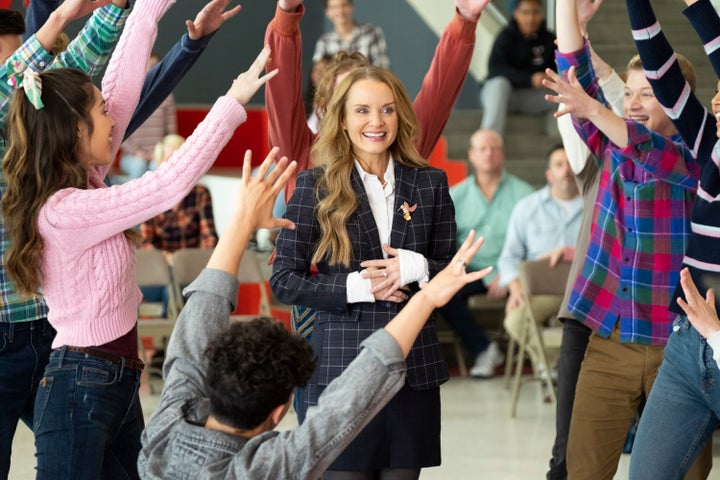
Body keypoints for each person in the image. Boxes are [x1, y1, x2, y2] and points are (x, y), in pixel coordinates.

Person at [1, 0, 278, 463]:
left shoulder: (81, 179)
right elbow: (164, 185)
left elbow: (120, 90)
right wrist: (231, 102)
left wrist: (148, 10)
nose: (113, 122)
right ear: (73, 131)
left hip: (114, 378)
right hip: (80, 385)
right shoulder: (64, 210)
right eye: (100, 115)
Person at [139, 149, 491, 479]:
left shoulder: (161, 435)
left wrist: (241, 223)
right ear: (279, 414)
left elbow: (192, 339)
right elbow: (349, 401)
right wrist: (424, 299)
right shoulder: (270, 465)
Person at [542, 0, 706, 475]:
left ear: (679, 102)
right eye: (629, 94)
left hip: (677, 347)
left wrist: (593, 106)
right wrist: (565, 7)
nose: (632, 103)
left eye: (648, 95)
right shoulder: (609, 149)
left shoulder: (698, 159)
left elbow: (647, 149)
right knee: (582, 468)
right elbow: (575, 73)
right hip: (609, 338)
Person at [271, 66, 456, 479]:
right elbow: (284, 279)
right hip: (341, 371)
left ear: (401, 116)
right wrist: (357, 285)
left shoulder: (430, 183)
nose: (376, 122)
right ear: (341, 118)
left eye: (387, 110)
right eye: (362, 110)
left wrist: (420, 267)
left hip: (413, 373)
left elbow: (452, 272)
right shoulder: (313, 185)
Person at [620, 0, 720, 477]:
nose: (717, 101)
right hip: (687, 346)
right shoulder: (710, 149)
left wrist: (700, 8)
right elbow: (662, 74)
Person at [439, 128, 533, 378]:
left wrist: (505, 274)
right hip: (471, 270)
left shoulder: (525, 196)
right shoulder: (455, 196)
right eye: (482, 149)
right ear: (471, 155)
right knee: (443, 293)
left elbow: (532, 246)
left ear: (502, 154)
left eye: (494, 148)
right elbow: (447, 244)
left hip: (515, 272)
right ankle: (484, 349)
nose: (489, 154)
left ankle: (544, 360)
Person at [497, 144, 582, 373]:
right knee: (515, 321)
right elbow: (508, 258)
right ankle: (554, 367)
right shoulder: (526, 208)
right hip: (540, 294)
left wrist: (569, 251)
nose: (566, 170)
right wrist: (516, 289)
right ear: (548, 174)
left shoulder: (596, 206)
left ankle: (557, 367)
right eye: (559, 164)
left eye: (571, 164)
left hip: (583, 292)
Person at [478, 0, 556, 137]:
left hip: (530, 97)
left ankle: (557, 142)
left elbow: (560, 69)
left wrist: (549, 78)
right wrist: (529, 79)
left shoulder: (549, 39)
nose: (531, 18)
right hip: (501, 95)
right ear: (516, 14)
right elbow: (495, 70)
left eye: (535, 13)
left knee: (566, 94)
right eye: (525, 13)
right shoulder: (505, 37)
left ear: (542, 14)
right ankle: (489, 139)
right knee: (499, 84)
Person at [119, 54, 178, 180]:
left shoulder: (167, 97)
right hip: (132, 156)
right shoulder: (129, 97)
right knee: (138, 166)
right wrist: (137, 152)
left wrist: (159, 153)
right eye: (149, 67)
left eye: (156, 67)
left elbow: (171, 134)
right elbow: (120, 135)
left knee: (157, 167)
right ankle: (132, 199)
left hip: (158, 154)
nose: (153, 71)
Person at [313, 0, 389, 68]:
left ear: (352, 7)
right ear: (327, 12)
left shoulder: (372, 33)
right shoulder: (324, 42)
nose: (340, 11)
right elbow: (318, 75)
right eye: (334, 7)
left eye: (344, 5)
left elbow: (382, 70)